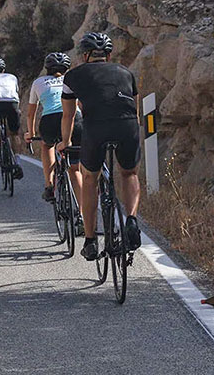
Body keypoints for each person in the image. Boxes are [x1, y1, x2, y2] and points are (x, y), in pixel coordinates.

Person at [58, 32, 142, 261]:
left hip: (95, 127)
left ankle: (90, 240)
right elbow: (134, 107)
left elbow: (68, 116)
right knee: (129, 173)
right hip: (128, 126)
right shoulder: (126, 72)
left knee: (90, 179)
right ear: (108, 54)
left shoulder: (73, 75)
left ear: (85, 55)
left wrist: (65, 143)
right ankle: (132, 220)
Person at [25, 53, 84, 227]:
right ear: (67, 68)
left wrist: (30, 132)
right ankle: (81, 216)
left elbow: (31, 112)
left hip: (49, 121)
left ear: (47, 68)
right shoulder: (73, 79)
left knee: (46, 145)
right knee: (75, 170)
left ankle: (49, 185)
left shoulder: (38, 82)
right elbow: (81, 105)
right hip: (75, 120)